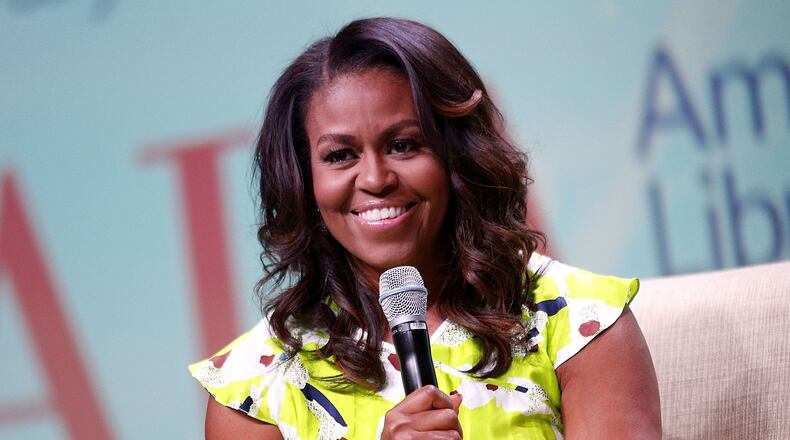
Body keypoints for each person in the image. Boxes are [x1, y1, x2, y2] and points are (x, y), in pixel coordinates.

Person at [190, 17, 661, 439]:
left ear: (459, 155)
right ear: (302, 181)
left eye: (403, 145)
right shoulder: (251, 391)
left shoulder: (579, 323)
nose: (375, 179)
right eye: (340, 156)